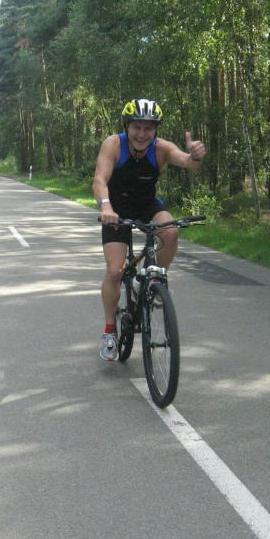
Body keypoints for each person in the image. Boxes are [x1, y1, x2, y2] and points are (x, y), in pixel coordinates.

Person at [92, 98, 206, 361]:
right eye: (136, 127)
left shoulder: (161, 148)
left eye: (148, 128)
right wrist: (106, 206)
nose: (142, 134)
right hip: (115, 209)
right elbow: (99, 179)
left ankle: (152, 281)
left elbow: (188, 162)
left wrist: (195, 156)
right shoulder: (113, 144)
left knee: (170, 231)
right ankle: (109, 331)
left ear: (155, 130)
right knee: (115, 270)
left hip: (146, 205)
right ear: (127, 127)